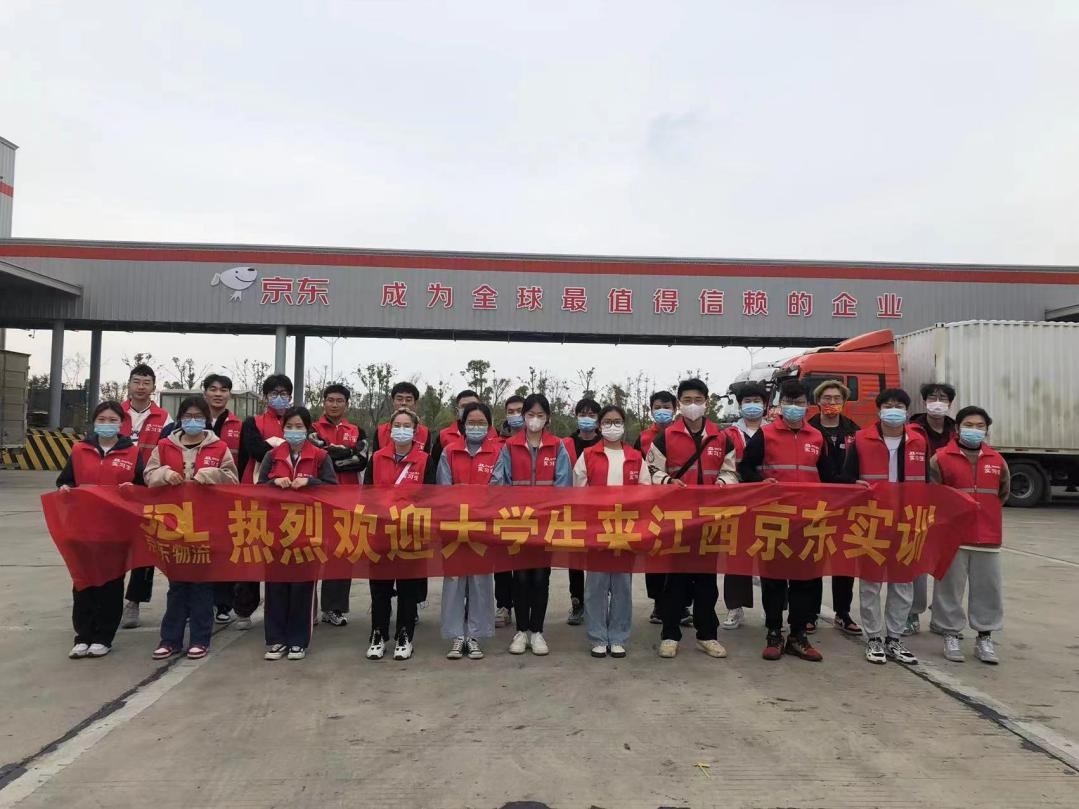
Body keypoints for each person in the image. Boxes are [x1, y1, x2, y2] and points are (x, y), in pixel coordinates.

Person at [738, 379, 833, 663]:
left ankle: (798, 635)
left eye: (800, 402)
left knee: (805, 580)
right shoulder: (765, 434)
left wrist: (856, 487)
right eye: (789, 402)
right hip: (774, 518)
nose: (795, 407)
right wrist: (760, 481)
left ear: (808, 405)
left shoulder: (817, 437)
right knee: (774, 580)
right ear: (781, 405)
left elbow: (830, 476)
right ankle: (774, 633)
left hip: (808, 520)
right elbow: (745, 467)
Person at [646, 378, 738, 660]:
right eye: (687, 400)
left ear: (706, 402)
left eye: (698, 400)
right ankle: (670, 635)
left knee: (707, 581)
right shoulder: (666, 437)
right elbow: (651, 470)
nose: (693, 405)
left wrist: (723, 483)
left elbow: (731, 471)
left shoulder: (721, 437)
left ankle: (707, 635)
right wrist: (668, 482)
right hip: (677, 518)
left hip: (710, 519)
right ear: (679, 404)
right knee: (674, 580)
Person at [145, 397, 238, 661]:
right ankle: (170, 640)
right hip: (173, 525)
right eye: (188, 416)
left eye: (198, 416)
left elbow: (232, 479)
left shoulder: (219, 447)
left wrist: (210, 474)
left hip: (206, 525)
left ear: (206, 419)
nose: (193, 421)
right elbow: (148, 475)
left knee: (202, 585)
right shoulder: (165, 446)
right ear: (180, 419)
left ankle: (200, 638)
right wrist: (164, 474)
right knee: (177, 585)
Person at [841, 389, 926, 666]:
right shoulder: (861, 439)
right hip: (872, 520)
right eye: (888, 405)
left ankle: (895, 638)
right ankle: (874, 637)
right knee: (871, 583)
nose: (893, 410)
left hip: (907, 521)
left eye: (899, 405)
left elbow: (928, 483)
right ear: (878, 410)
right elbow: (847, 477)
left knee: (902, 583)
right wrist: (854, 485)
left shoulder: (919, 441)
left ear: (907, 411)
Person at [57, 401, 146, 659]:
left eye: (112, 420)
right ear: (94, 422)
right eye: (102, 420)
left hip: (115, 529)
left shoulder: (132, 452)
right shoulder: (80, 450)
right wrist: (64, 489)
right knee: (83, 582)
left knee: (111, 583)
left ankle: (104, 636)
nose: (107, 424)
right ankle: (82, 636)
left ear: (122, 424)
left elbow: (142, 487)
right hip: (83, 527)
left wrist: (133, 490)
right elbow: (66, 480)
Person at [490, 393, 573, 656]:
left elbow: (564, 485)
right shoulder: (510, 446)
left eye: (540, 415)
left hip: (546, 524)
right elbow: (500, 483)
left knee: (540, 577)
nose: (534, 420)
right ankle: (521, 631)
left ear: (548, 418)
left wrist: (548, 514)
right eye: (530, 415)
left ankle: (537, 631)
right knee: (520, 577)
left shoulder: (557, 446)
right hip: (518, 522)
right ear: (522, 416)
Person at [930, 406, 1009, 665]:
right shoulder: (941, 458)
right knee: (949, 589)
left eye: (980, 426)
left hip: (988, 536)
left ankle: (984, 637)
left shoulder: (997, 460)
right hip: (953, 537)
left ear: (987, 430)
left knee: (988, 589)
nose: (974, 430)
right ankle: (950, 634)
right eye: (968, 425)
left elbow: (1002, 493)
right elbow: (933, 495)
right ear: (957, 428)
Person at [257, 406, 337, 661]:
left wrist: (311, 482)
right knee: (276, 586)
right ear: (283, 429)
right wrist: (273, 483)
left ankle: (298, 641)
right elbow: (258, 489)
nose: (294, 431)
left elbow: (333, 490)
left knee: (302, 587)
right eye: (289, 427)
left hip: (308, 530)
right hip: (276, 529)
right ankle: (276, 639)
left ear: (308, 429)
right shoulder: (272, 456)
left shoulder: (320, 457)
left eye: (299, 427)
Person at [574, 405, 649, 658]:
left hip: (626, 529)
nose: (612, 426)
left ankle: (618, 636)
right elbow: (578, 491)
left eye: (617, 421)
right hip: (597, 528)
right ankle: (597, 636)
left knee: (622, 586)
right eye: (607, 421)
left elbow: (646, 491)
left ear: (624, 425)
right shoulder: (588, 455)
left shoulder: (635, 457)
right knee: (595, 585)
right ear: (599, 425)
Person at [364, 407, 432, 661]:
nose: (401, 430)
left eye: (407, 426)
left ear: (415, 431)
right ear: (389, 429)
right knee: (379, 587)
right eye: (397, 425)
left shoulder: (424, 460)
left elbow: (432, 496)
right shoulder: (377, 458)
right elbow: (366, 494)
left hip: (410, 532)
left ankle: (405, 634)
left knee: (407, 588)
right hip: (381, 532)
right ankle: (378, 633)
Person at [436, 401, 500, 660]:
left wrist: (479, 511)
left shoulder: (497, 453)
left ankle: (475, 635)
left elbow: (497, 488)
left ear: (489, 426)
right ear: (462, 425)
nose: (476, 427)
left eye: (481, 422)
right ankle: (456, 635)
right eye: (471, 422)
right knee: (454, 580)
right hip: (454, 524)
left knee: (480, 580)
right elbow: (444, 488)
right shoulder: (450, 451)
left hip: (483, 526)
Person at [234, 374, 294, 630]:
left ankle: (282, 608)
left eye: (284, 393)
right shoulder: (253, 422)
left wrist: (273, 446)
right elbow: (255, 451)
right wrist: (283, 447)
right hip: (255, 493)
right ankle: (244, 609)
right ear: (265, 396)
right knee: (251, 550)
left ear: (290, 397)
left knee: (284, 551)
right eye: (274, 393)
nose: (279, 398)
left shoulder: (297, 421)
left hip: (289, 497)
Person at [309, 384, 368, 628]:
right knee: (310, 551)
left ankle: (333, 608)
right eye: (330, 400)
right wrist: (345, 453)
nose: (334, 404)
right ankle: (307, 608)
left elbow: (361, 460)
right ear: (323, 402)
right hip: (317, 500)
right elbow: (316, 456)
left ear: (347, 404)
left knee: (341, 553)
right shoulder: (312, 429)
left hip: (347, 500)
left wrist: (331, 456)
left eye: (339, 401)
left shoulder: (356, 430)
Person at [807, 380, 862, 636]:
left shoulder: (855, 432)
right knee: (813, 559)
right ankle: (810, 613)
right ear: (818, 402)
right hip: (815, 504)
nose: (831, 403)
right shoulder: (808, 430)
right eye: (826, 398)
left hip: (847, 505)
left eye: (836, 399)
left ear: (844, 402)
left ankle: (843, 613)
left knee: (844, 561)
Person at [117, 363, 169, 630]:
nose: (141, 387)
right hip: (117, 490)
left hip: (149, 490)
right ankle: (110, 601)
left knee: (145, 547)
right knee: (115, 547)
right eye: (136, 381)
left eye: (146, 382)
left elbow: (169, 450)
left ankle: (133, 602)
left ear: (153, 387)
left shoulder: (164, 418)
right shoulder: (114, 414)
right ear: (128, 384)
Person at [905, 382, 958, 636]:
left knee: (947, 565)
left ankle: (942, 617)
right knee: (916, 561)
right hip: (918, 506)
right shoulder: (911, 431)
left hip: (950, 508)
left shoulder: (958, 432)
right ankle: (912, 613)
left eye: (943, 398)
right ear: (924, 401)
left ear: (950, 403)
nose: (938, 402)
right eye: (933, 397)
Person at [719, 383, 769, 631]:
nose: (752, 405)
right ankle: (735, 607)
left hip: (769, 501)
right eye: (747, 401)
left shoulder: (774, 431)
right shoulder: (728, 434)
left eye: (757, 401)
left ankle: (773, 609)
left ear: (765, 405)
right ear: (740, 405)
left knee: (771, 554)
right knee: (737, 555)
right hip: (737, 501)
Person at [634, 390, 677, 624]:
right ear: (651, 410)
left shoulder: (683, 433)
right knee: (655, 555)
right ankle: (659, 604)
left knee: (679, 555)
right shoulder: (642, 438)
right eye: (658, 407)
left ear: (675, 409)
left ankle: (681, 605)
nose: (662, 411)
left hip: (680, 506)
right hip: (652, 507)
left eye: (667, 406)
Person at [563, 397, 602, 626]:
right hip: (573, 509)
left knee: (599, 556)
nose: (587, 418)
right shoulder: (566, 444)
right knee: (575, 558)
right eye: (582, 414)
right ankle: (577, 602)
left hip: (599, 511)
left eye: (592, 415)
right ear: (576, 416)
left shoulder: (605, 443)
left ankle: (598, 602)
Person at [494, 394, 526, 626]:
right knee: (503, 562)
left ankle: (524, 606)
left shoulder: (537, 440)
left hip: (530, 512)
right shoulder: (497, 442)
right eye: (510, 411)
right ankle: (503, 605)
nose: (515, 415)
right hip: (503, 510)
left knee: (525, 564)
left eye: (519, 411)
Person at [370, 382, 433, 454]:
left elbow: (427, 459)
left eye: (408, 400)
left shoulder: (425, 433)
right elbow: (375, 459)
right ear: (393, 402)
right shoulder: (380, 432)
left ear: (415, 403)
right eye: (399, 399)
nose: (404, 403)